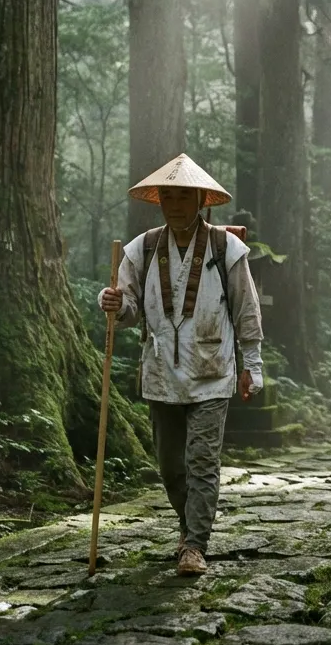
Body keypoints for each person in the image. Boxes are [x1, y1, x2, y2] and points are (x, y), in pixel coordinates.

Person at [98, 154, 264, 576]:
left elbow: (247, 310)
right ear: (160, 202)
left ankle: (195, 545)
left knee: (202, 462)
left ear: (201, 202)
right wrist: (115, 304)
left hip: (213, 371)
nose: (175, 204)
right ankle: (187, 524)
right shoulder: (141, 249)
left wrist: (253, 364)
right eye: (168, 196)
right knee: (171, 466)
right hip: (160, 373)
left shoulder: (227, 249)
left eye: (183, 197)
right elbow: (130, 308)